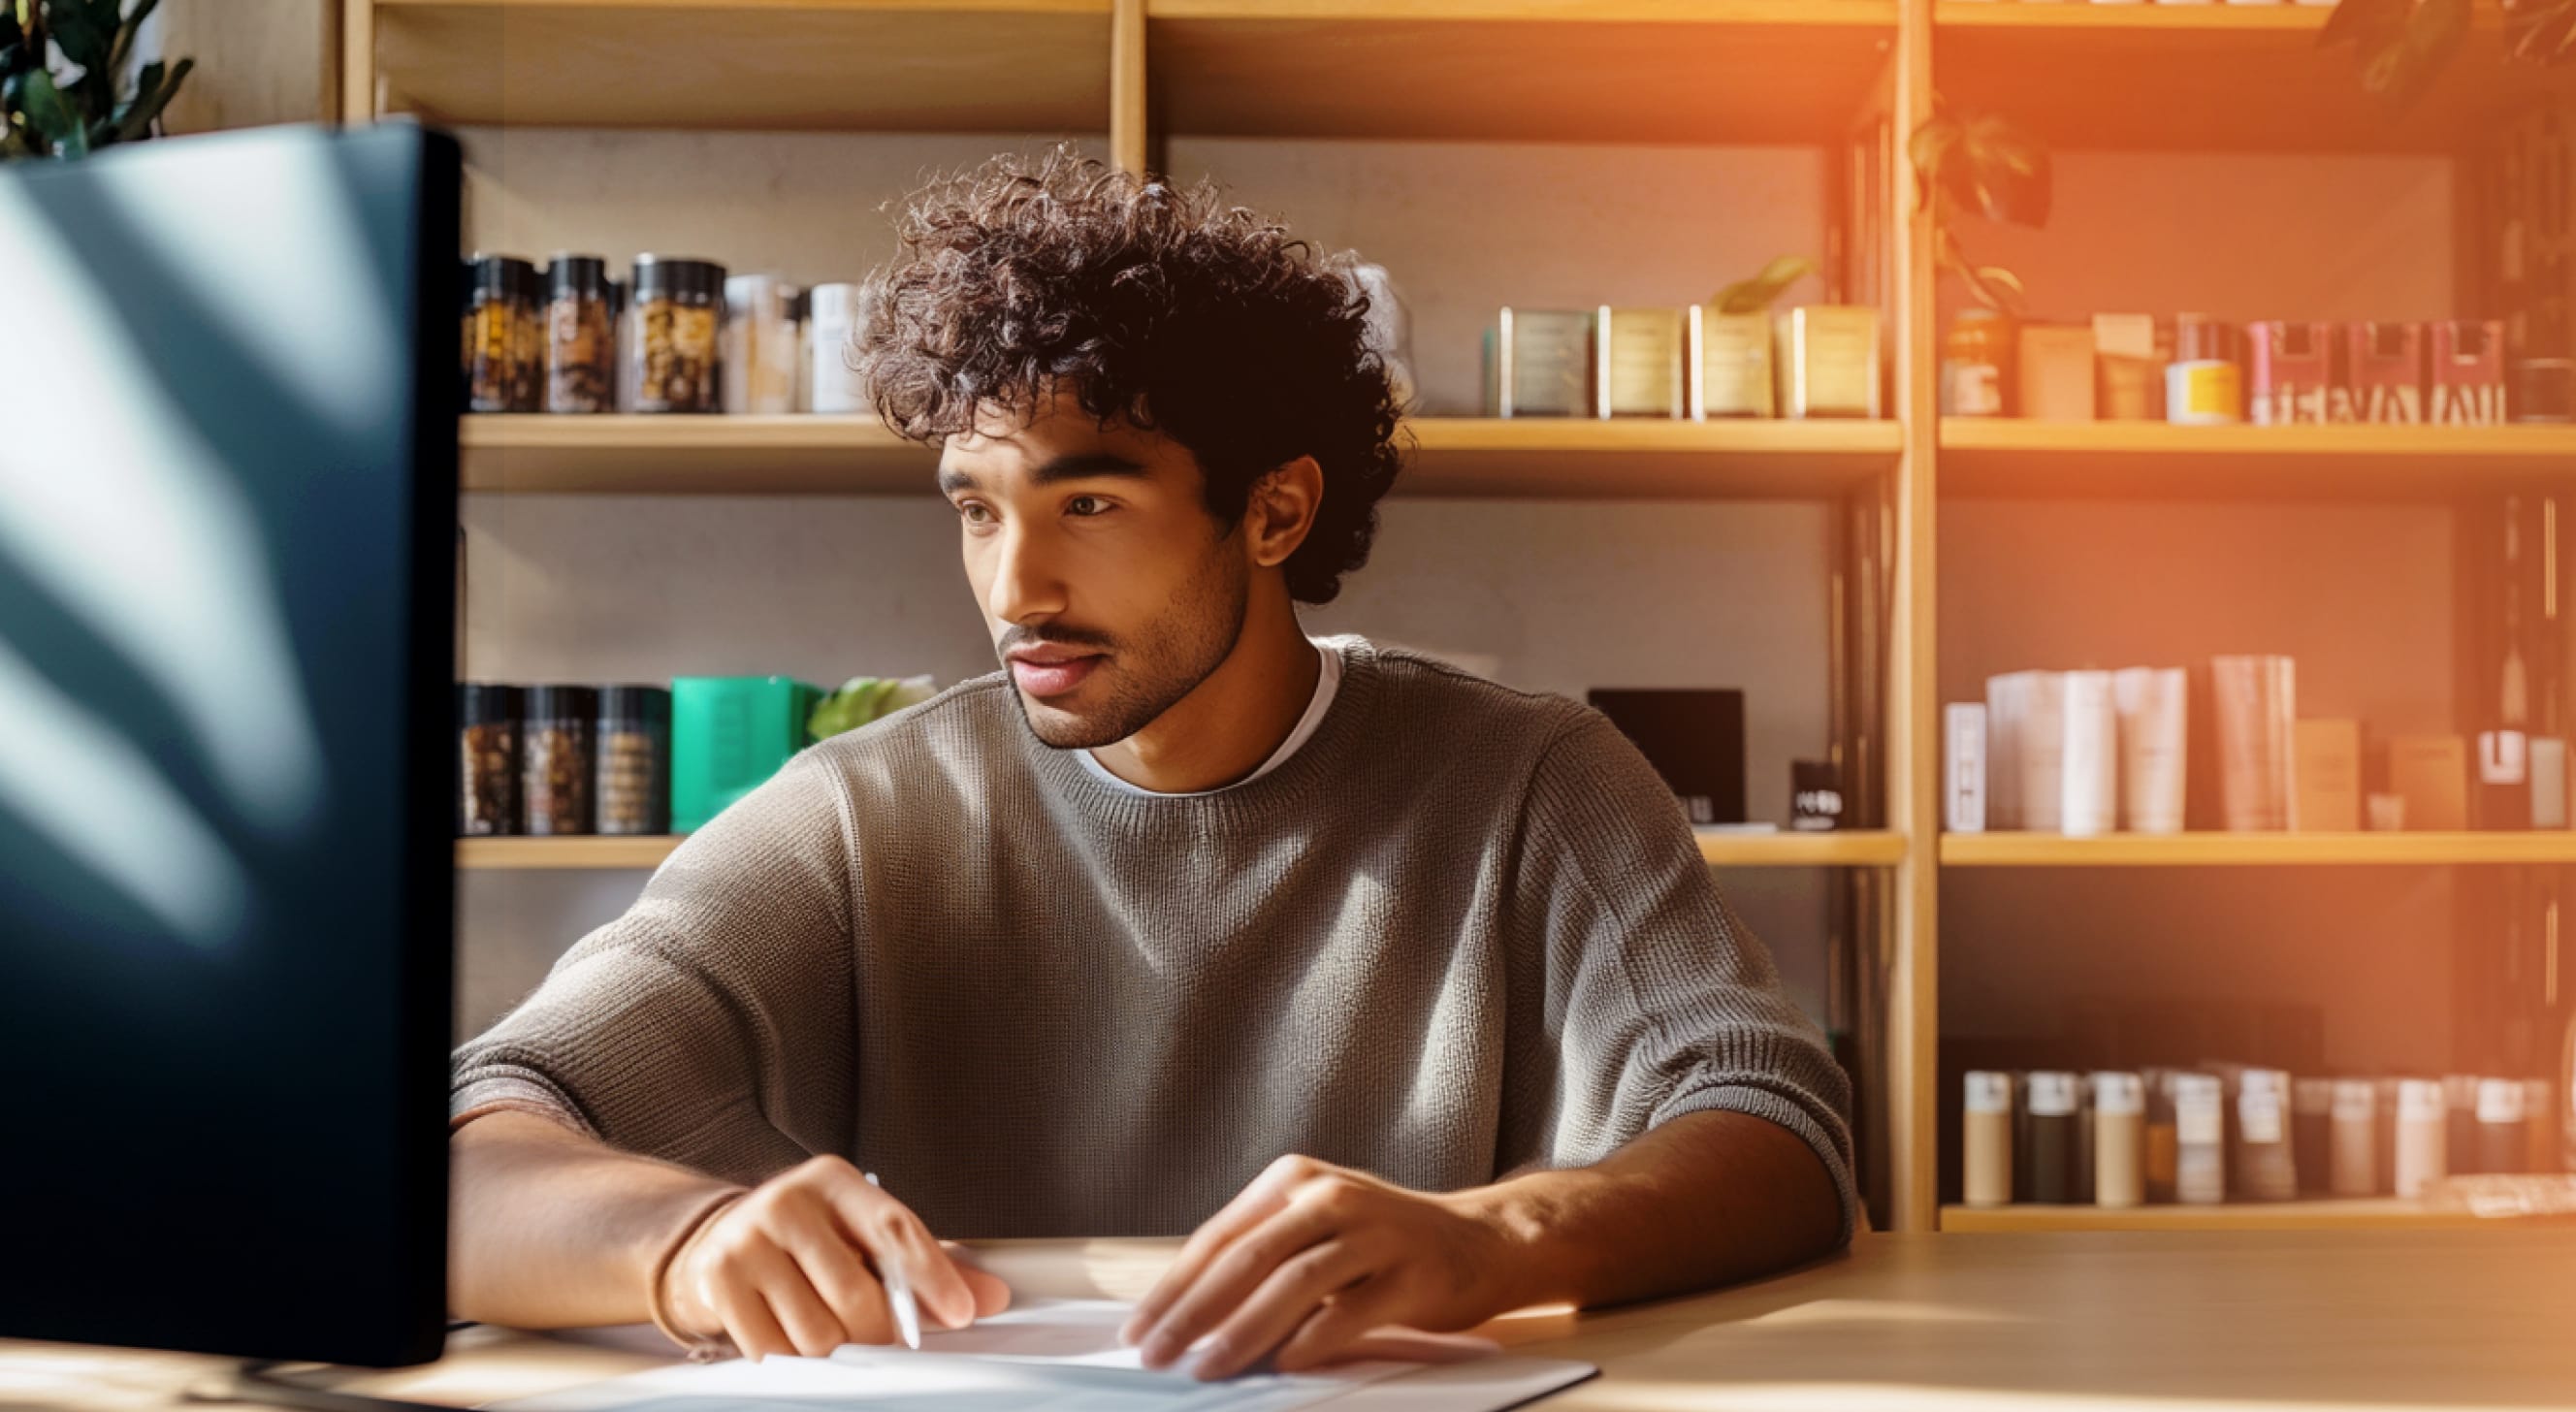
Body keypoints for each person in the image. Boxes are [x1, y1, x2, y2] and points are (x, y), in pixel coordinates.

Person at [446, 144, 1854, 1381]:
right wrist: (683, 1239)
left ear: (1277, 511)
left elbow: (1778, 1131)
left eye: (1092, 501)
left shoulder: (1534, 780)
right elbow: (464, 1150)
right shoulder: (857, 816)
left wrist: (1495, 1242)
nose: (1016, 591)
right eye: (977, 510)